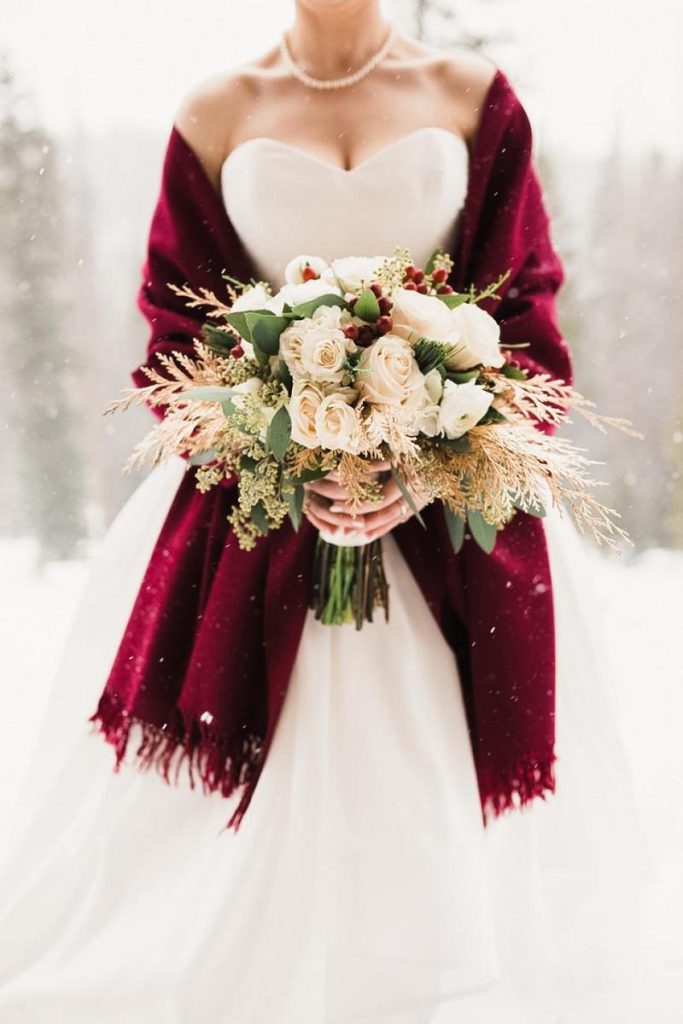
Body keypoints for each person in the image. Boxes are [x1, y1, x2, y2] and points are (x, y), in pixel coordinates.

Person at [0, 2, 651, 1021]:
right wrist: (273, 445)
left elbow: (522, 309)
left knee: (432, 798)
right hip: (258, 514)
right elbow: (177, 333)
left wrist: (433, 461)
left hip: (447, 513)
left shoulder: (470, 98)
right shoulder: (217, 110)